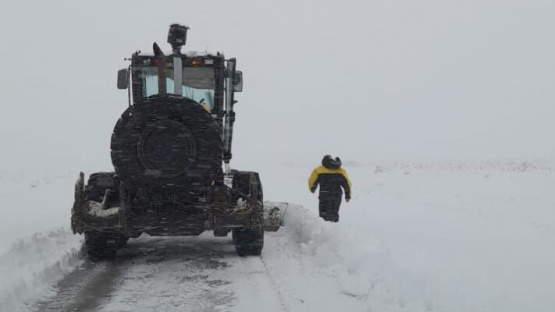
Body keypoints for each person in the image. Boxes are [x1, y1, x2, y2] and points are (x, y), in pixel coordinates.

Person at [308, 155, 352, 222]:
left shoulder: (318, 170)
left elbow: (312, 181)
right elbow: (347, 184)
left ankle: (324, 229)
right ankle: (334, 228)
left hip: (324, 194)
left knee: (323, 214)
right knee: (334, 213)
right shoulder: (341, 171)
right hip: (337, 195)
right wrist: (348, 195)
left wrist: (312, 188)